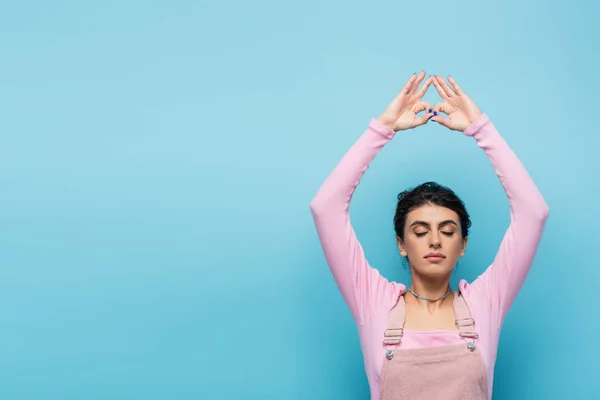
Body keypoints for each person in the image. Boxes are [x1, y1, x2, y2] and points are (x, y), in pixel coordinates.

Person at [309, 72, 549, 399]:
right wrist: (382, 129)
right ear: (401, 244)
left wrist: (482, 130)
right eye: (420, 231)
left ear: (462, 244)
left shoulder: (484, 304)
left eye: (447, 231)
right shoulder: (374, 302)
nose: (435, 241)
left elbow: (533, 213)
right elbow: (325, 207)